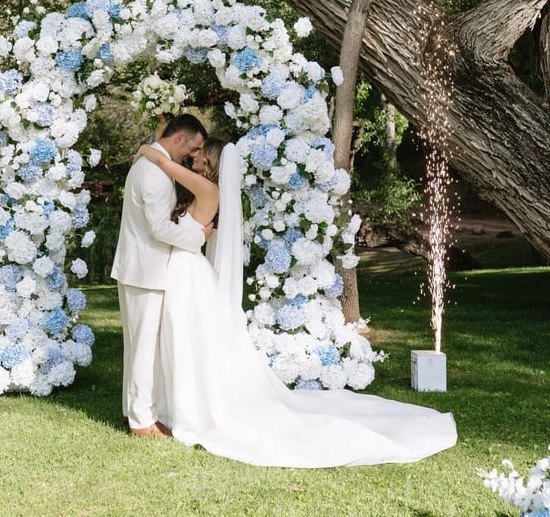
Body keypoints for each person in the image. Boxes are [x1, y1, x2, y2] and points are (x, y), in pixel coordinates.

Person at [133, 137, 458, 467]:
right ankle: (176, 403)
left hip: (188, 270)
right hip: (184, 269)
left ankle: (187, 408)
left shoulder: (207, 189)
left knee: (186, 338)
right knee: (183, 339)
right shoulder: (201, 187)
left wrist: (148, 150)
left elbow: (165, 164)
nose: (194, 155)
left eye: (199, 152)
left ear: (212, 160)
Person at [110, 113, 211, 438]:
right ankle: (142, 422)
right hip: (146, 270)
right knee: (144, 348)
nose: (192, 155)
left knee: (138, 345)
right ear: (179, 138)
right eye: (192, 148)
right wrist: (198, 237)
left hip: (139, 268)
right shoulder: (153, 172)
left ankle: (133, 411)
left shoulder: (151, 163)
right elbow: (159, 228)